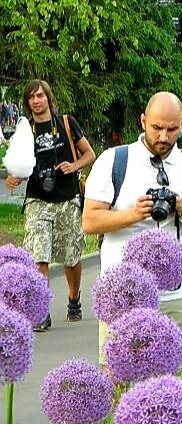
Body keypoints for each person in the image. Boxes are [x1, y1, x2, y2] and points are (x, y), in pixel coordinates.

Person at [82, 92, 182, 361]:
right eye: (156, 127)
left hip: (174, 297)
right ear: (143, 121)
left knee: (170, 385)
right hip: (123, 298)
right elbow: (89, 221)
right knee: (117, 381)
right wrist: (134, 214)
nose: (164, 137)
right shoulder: (114, 161)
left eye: (171, 129)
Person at [5, 80, 96, 330]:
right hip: (37, 199)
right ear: (27, 103)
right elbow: (19, 166)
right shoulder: (25, 131)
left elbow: (89, 154)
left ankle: (74, 297)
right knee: (38, 255)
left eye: (40, 96)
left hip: (67, 196)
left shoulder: (66, 123)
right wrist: (15, 176)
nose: (36, 100)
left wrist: (73, 166)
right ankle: (41, 310)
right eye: (31, 97)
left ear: (48, 98)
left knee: (71, 256)